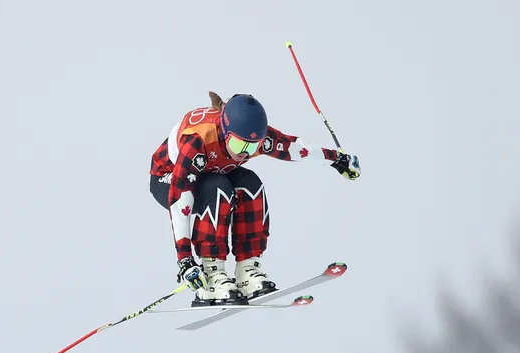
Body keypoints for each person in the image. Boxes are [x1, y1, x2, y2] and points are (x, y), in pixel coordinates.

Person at [149, 91, 361, 306]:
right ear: (224, 132)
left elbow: (295, 148)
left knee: (250, 184)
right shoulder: (197, 142)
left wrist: (337, 160)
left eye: (251, 147)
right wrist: (185, 260)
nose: (244, 154)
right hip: (167, 180)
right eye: (239, 146)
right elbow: (180, 202)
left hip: (213, 172)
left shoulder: (254, 140)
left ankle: (247, 270)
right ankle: (211, 276)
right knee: (217, 188)